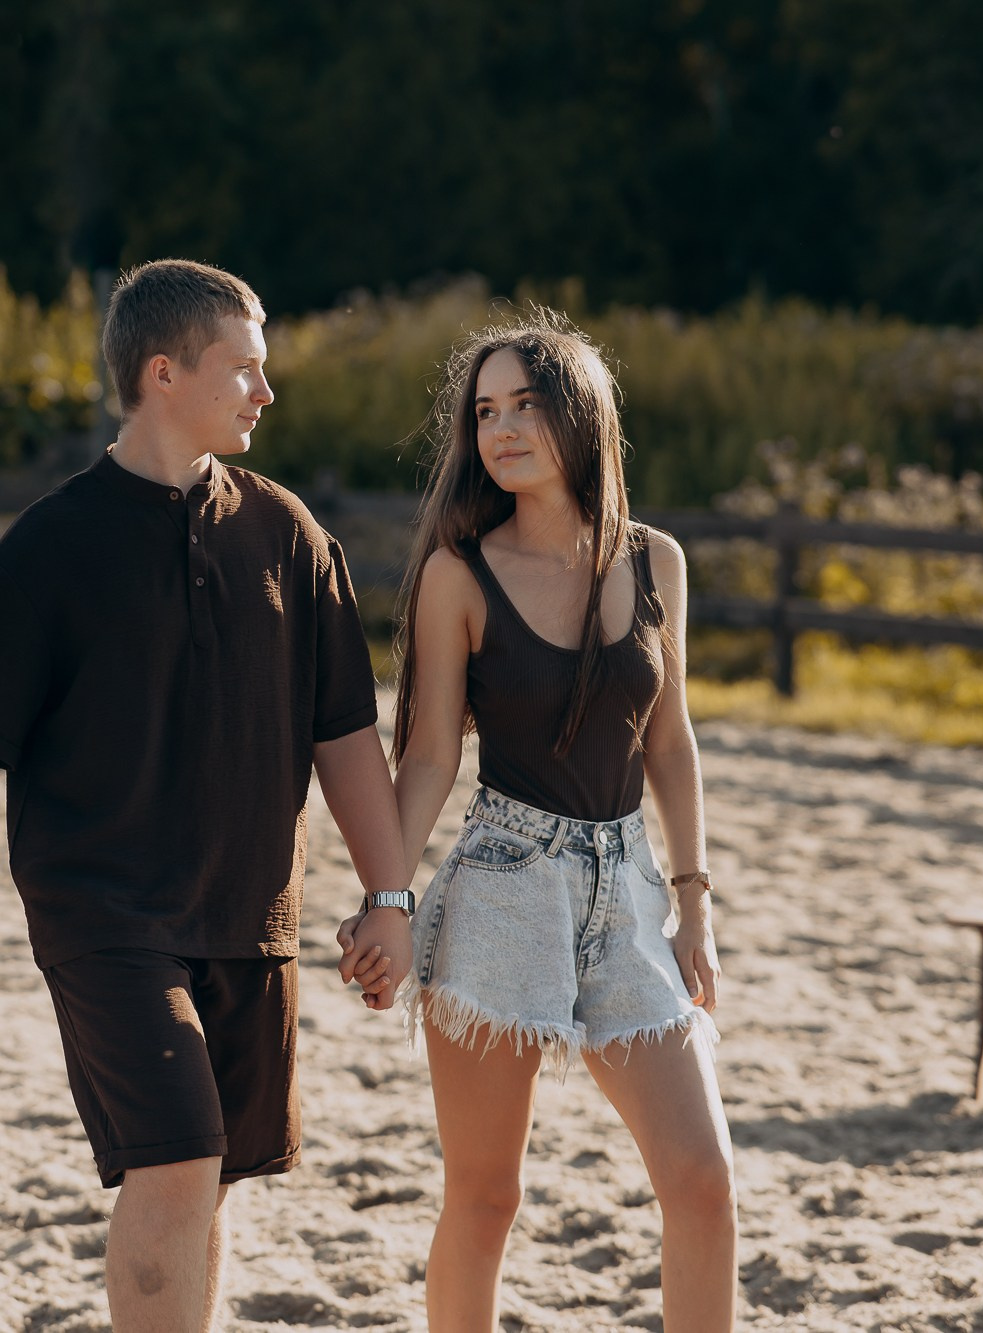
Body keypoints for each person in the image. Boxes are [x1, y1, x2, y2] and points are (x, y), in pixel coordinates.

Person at [0, 259, 413, 1332]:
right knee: (179, 1153)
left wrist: (390, 896)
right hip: (101, 913)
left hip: (250, 916)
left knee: (213, 1173)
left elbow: (343, 736)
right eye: (242, 367)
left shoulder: (291, 536)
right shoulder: (48, 549)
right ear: (161, 371)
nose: (264, 391)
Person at [337, 311, 736, 1332]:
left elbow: (671, 742)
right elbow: (428, 753)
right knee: (485, 1196)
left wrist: (693, 902)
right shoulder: (454, 576)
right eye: (484, 412)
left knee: (701, 1179)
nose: (502, 429)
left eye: (525, 404)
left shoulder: (655, 562)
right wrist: (386, 900)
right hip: (504, 885)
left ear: (579, 414)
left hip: (630, 890)